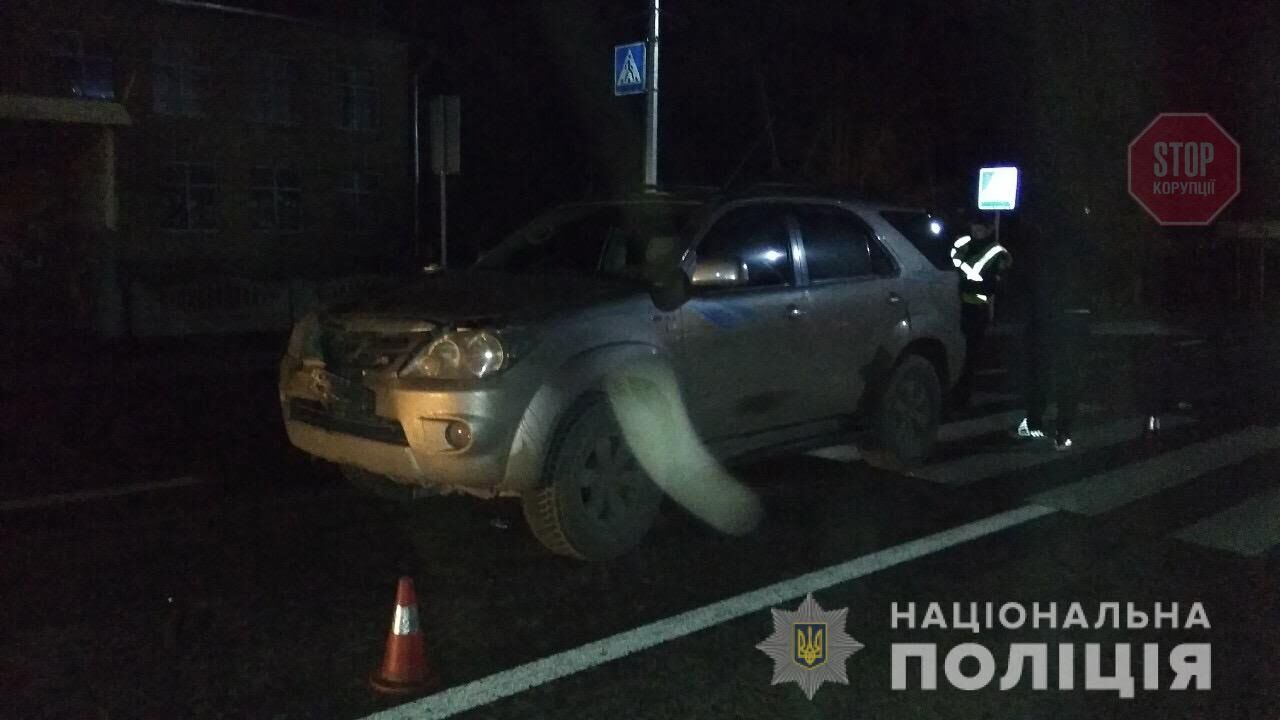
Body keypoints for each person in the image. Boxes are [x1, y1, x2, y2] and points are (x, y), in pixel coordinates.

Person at [1011, 186, 1093, 451]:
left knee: (1041, 372)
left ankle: (1036, 423)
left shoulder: (1043, 241)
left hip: (1049, 315)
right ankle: (1063, 431)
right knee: (1068, 374)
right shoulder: (1083, 241)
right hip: (1075, 313)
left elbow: (1032, 278)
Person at [950, 211, 1011, 407]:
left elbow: (976, 270)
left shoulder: (994, 251)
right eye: (974, 227)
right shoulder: (966, 243)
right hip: (960, 303)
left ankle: (963, 394)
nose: (975, 231)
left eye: (979, 228)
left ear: (989, 229)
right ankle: (959, 391)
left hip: (977, 307)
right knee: (962, 351)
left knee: (970, 353)